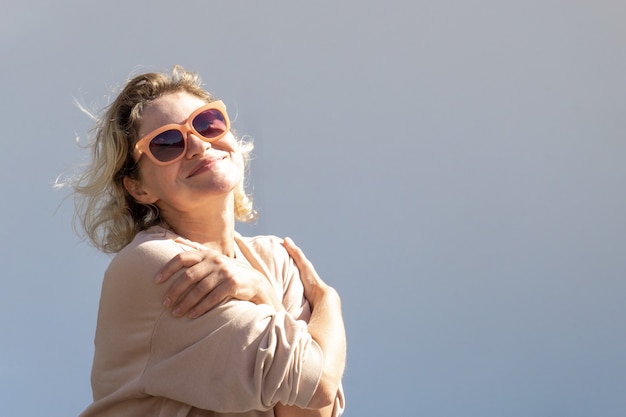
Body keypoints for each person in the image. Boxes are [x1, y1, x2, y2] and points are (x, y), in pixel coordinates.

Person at [68, 65, 346, 417]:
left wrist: (262, 291)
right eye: (166, 144)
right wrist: (329, 303)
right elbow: (319, 381)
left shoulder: (275, 259)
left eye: (207, 122)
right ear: (139, 188)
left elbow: (309, 409)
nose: (198, 145)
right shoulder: (154, 263)